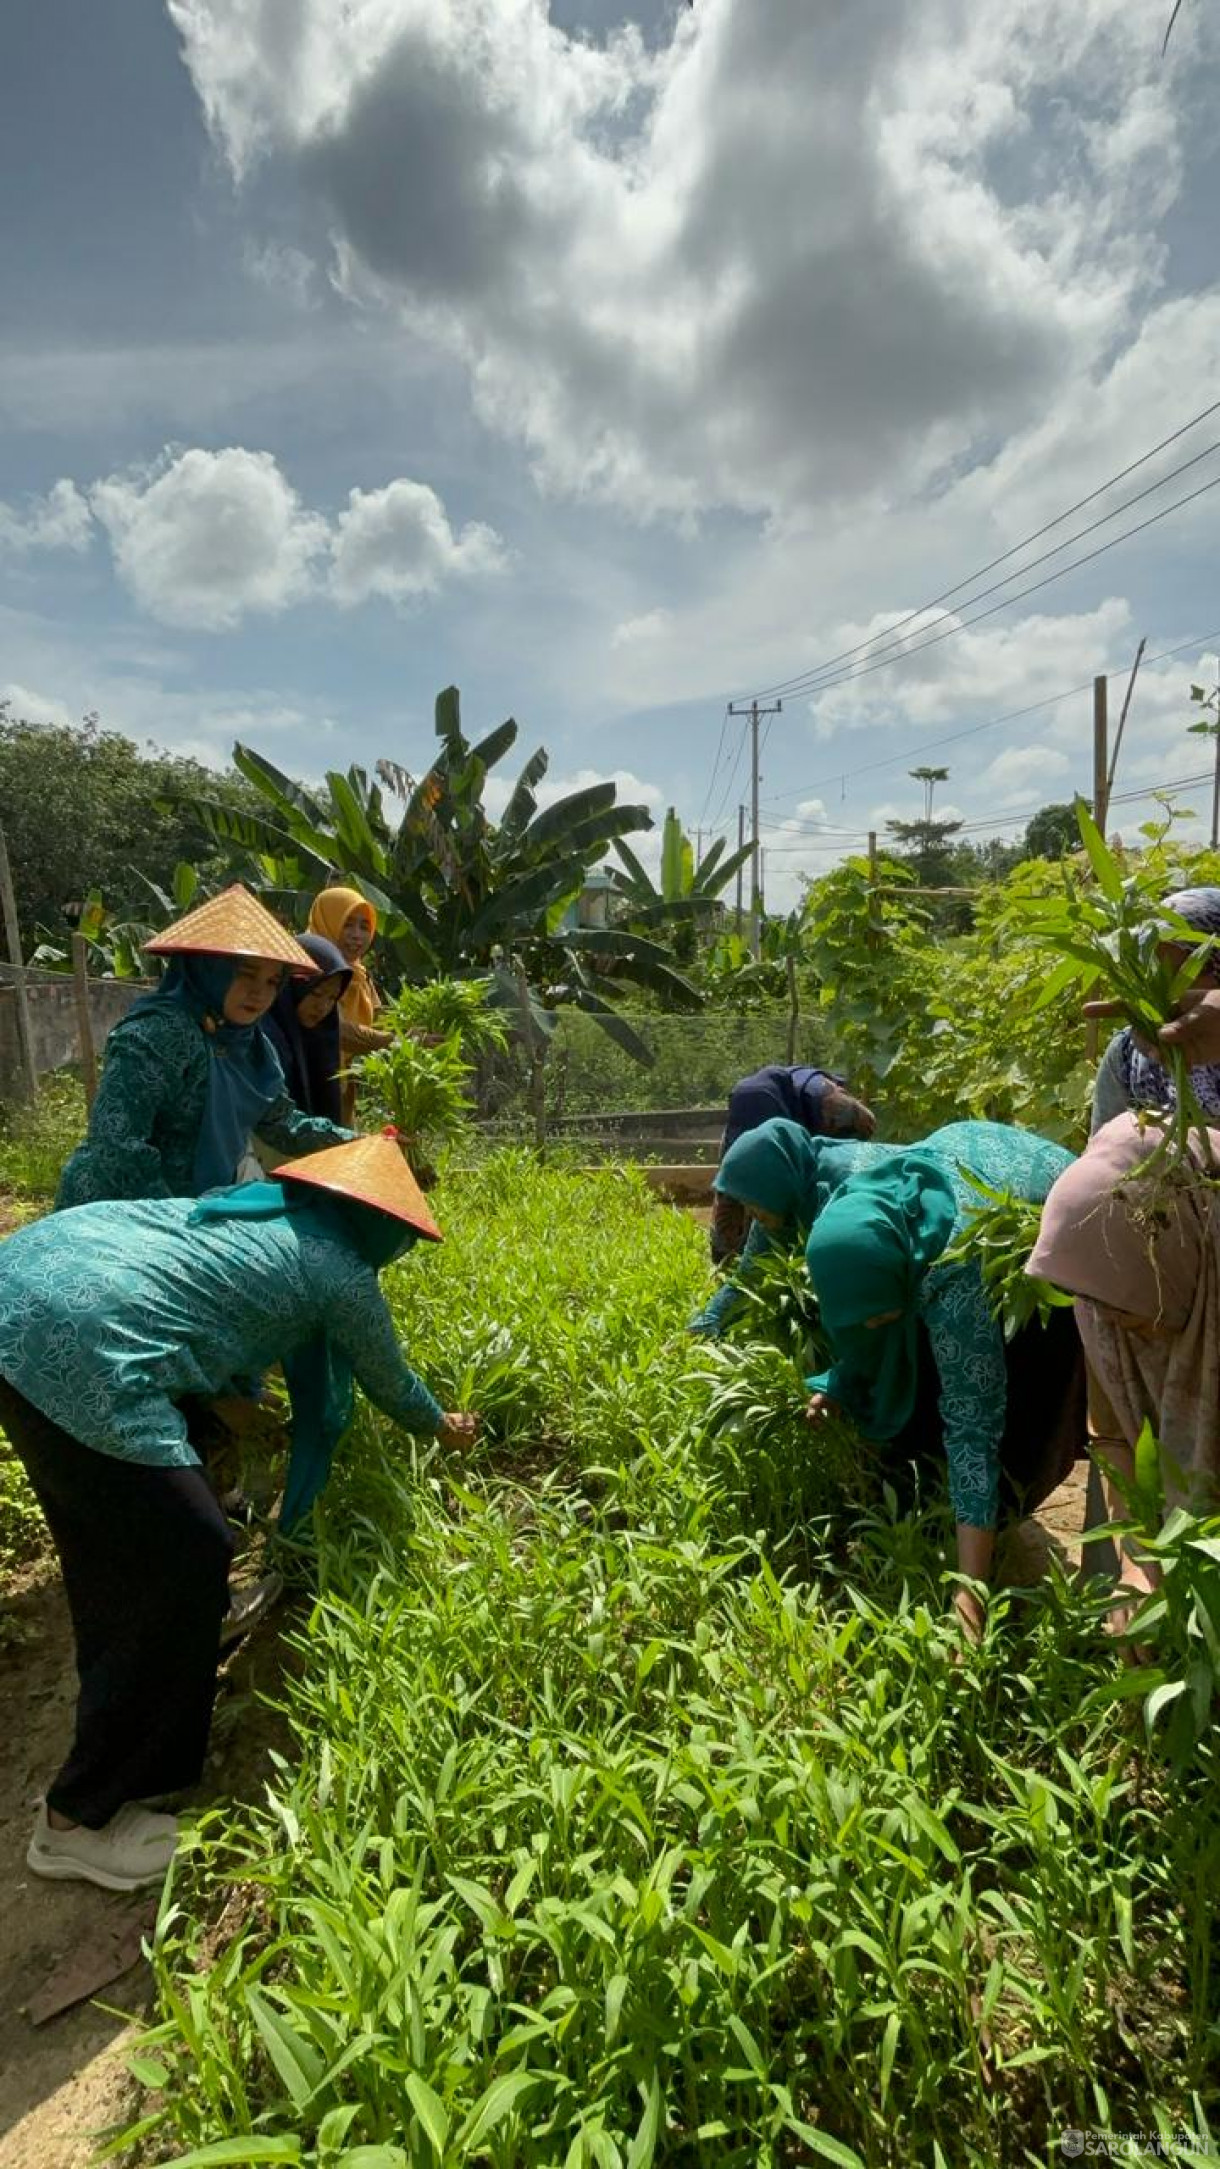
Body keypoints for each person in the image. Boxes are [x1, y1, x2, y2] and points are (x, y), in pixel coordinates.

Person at [0, 1132, 478, 1892]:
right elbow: (391, 1381)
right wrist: (443, 1425)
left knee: (117, 1543)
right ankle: (79, 1819)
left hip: (19, 1293)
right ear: (384, 1225)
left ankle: (129, 1691)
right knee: (188, 1552)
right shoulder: (340, 1271)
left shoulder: (242, 1210)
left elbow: (203, 1310)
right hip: (86, 1343)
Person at [803, 1119, 1087, 1641]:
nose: (866, 1327)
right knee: (909, 1336)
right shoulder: (856, 1210)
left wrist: (969, 1595)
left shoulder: (955, 1273)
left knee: (1020, 1398)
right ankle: (948, 1510)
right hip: (962, 1178)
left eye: (874, 1317)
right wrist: (839, 1378)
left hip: (1058, 1238)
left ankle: (996, 1528)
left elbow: (972, 1424)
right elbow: (861, 1328)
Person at [1029, 1112, 1220, 1633]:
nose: (1109, 1320)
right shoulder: (1101, 1298)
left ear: (1176, 1243)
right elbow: (1113, 1434)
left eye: (1123, 1300)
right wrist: (1137, 1559)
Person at [57, 885, 354, 1209]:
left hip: (193, 1214)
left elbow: (283, 1124)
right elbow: (117, 1144)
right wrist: (173, 1218)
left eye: (272, 982)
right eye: (245, 974)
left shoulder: (252, 1046)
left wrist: (361, 1145)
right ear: (208, 970)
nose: (259, 993)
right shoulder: (153, 1036)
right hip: (112, 1214)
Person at [689, 1118, 901, 1337]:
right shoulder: (779, 1198)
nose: (749, 1213)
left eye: (752, 1201)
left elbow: (874, 1287)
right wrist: (707, 1320)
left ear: (773, 1184)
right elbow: (748, 1274)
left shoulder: (842, 1192)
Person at [709, 1063, 877, 1262]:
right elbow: (728, 1199)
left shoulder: (832, 1107)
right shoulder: (742, 1141)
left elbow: (858, 1143)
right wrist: (724, 1258)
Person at [1089, 886, 1220, 1131]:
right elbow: (1104, 1149)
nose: (1171, 993)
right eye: (1155, 973)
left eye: (1191, 970)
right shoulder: (1127, 1057)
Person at [307, 887, 393, 1123]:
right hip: (308, 1086)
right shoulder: (310, 968)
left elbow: (381, 1019)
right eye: (347, 924)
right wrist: (399, 1041)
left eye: (364, 927)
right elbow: (337, 1029)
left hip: (343, 1089)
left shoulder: (359, 975)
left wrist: (418, 1032)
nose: (357, 935)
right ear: (328, 921)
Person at [262, 932, 352, 1124]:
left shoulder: (321, 1038)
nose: (323, 1007)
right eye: (317, 993)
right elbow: (277, 1121)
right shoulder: (265, 1039)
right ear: (289, 985)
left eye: (331, 998)